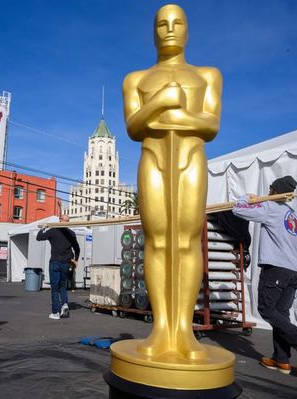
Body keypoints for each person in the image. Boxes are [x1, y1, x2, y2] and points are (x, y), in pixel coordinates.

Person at [121, 4, 221, 358]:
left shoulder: (207, 75)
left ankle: (184, 328)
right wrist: (162, 101)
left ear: (188, 29)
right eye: (161, 24)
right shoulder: (136, 79)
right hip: (153, 158)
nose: (170, 29)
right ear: (153, 31)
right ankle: (161, 326)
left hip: (190, 158)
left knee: (187, 239)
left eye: (177, 23)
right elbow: (134, 127)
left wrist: (168, 115)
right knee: (158, 239)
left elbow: (210, 125)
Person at [232, 175, 297, 375]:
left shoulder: (269, 208)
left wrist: (247, 196)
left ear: (275, 191)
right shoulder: (293, 214)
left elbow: (238, 209)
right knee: (281, 314)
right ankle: (281, 359)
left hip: (276, 269)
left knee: (266, 310)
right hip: (294, 271)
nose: (268, 192)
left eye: (271, 189)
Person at [36, 214, 80, 320]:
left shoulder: (53, 230)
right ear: (67, 221)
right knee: (62, 286)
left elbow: (39, 237)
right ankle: (64, 304)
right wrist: (76, 260)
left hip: (55, 262)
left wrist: (42, 229)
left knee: (55, 287)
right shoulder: (71, 233)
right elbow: (77, 248)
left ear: (60, 220)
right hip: (66, 263)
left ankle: (55, 312)